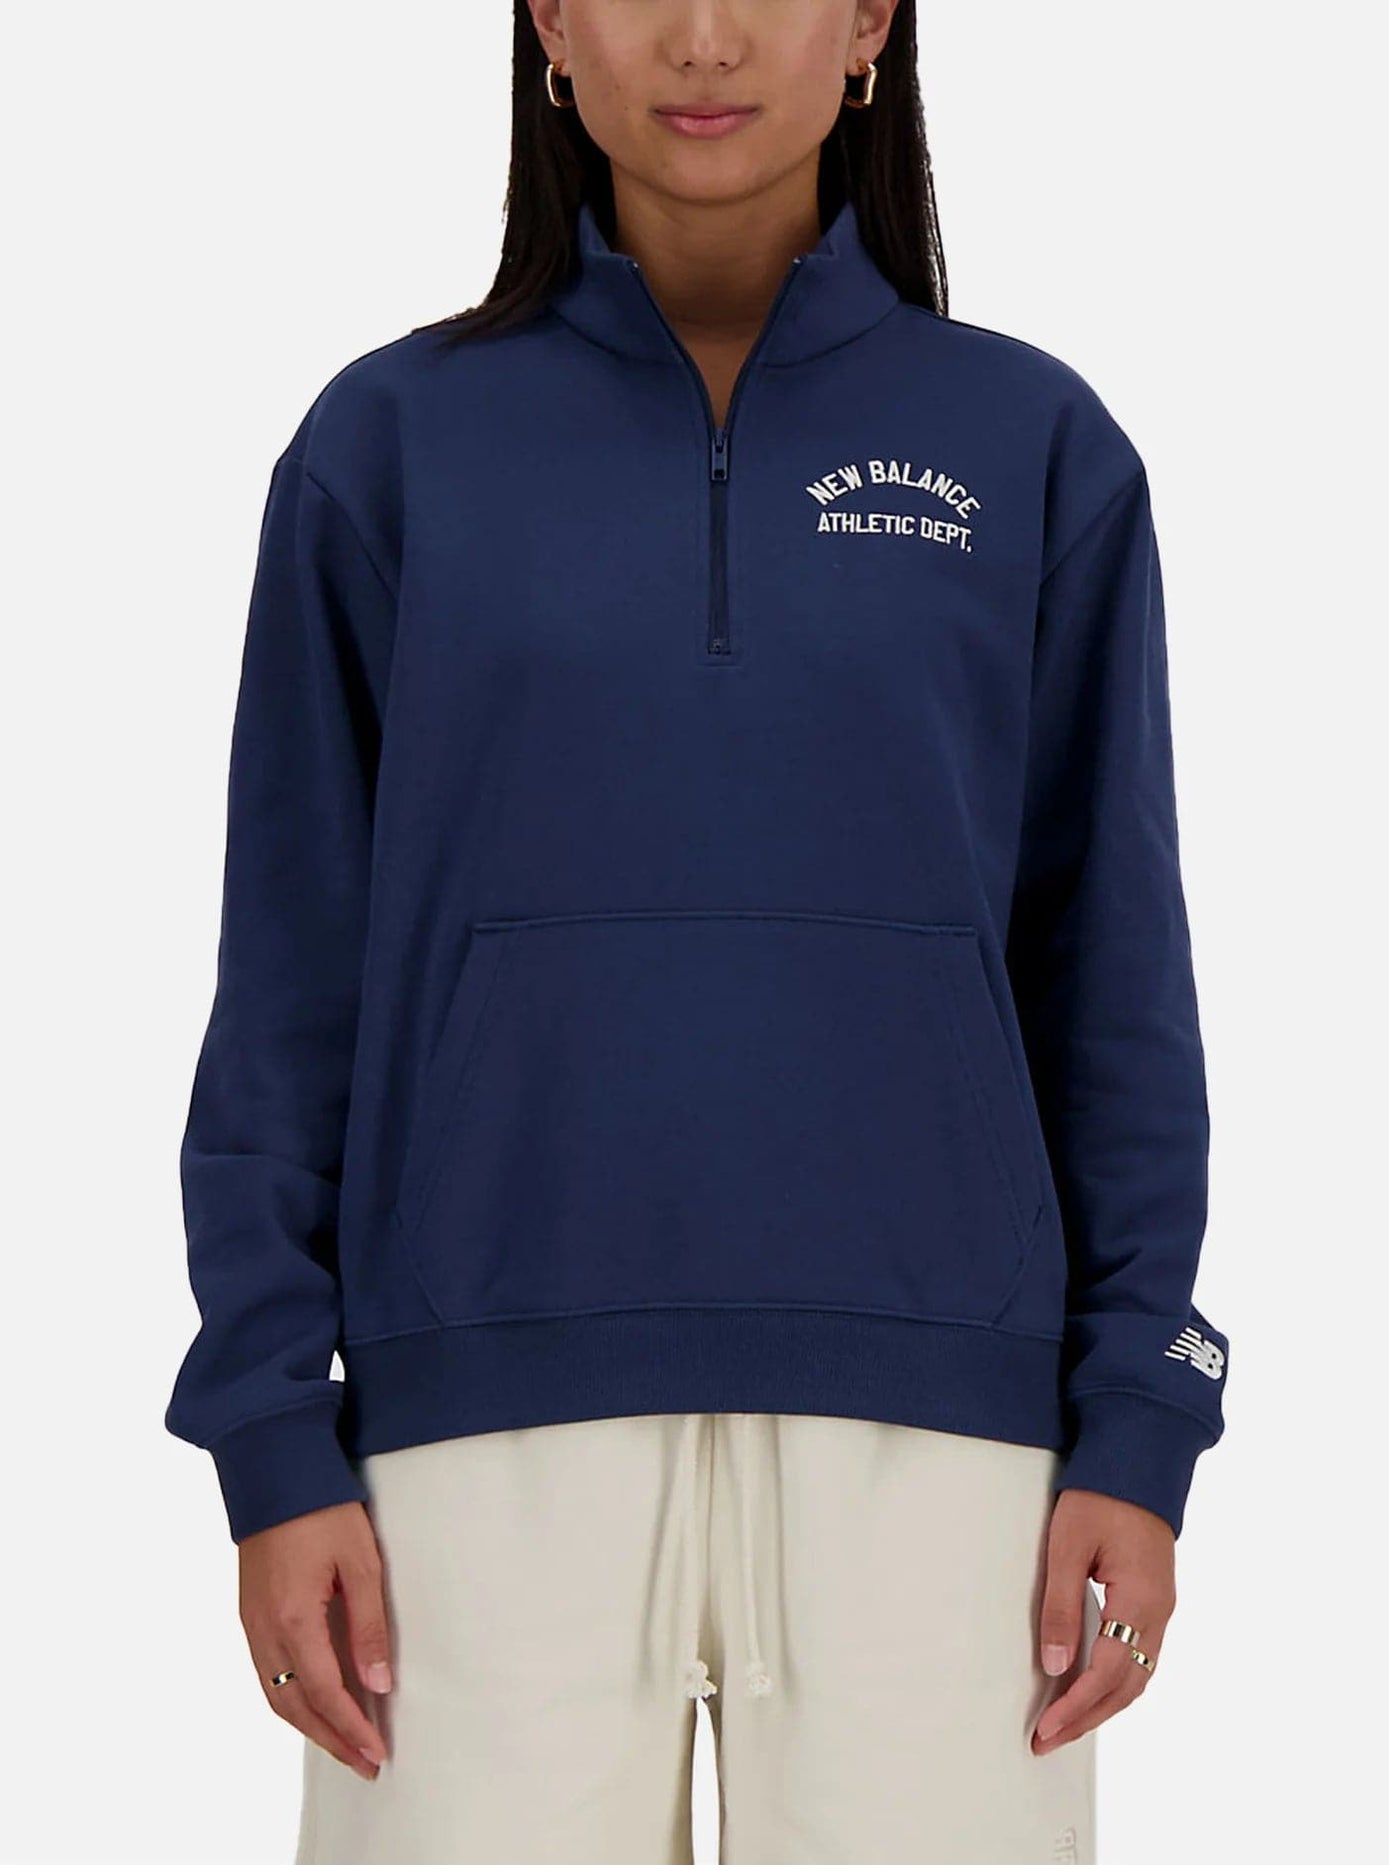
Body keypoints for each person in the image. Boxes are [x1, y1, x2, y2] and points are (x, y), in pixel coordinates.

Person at [164, 2, 1230, 1859]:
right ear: (550, 22)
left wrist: (1140, 1411)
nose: (708, 35)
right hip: (472, 1428)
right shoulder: (387, 447)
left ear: (872, 21)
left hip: (945, 1439)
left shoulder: (1034, 447)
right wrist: (269, 1426)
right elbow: (287, 978)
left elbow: (1114, 973)